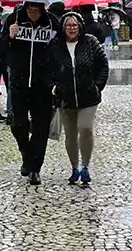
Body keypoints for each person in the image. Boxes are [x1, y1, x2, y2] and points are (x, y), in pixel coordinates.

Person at [0, 2, 60, 186]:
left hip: (43, 85)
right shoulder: (14, 19)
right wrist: (9, 36)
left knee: (41, 129)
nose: (33, 13)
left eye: (36, 10)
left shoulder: (52, 23)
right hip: (19, 83)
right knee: (19, 124)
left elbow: (61, 49)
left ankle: (35, 169)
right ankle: (26, 154)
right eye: (30, 9)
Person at [50, 13, 109, 187]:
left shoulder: (90, 42)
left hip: (88, 97)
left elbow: (103, 65)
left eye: (74, 25)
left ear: (80, 26)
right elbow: (47, 68)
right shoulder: (55, 45)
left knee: (85, 128)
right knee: (70, 134)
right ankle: (75, 167)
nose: (71, 28)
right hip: (65, 98)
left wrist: (97, 86)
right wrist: (54, 87)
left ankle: (85, 165)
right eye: (68, 25)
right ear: (63, 27)